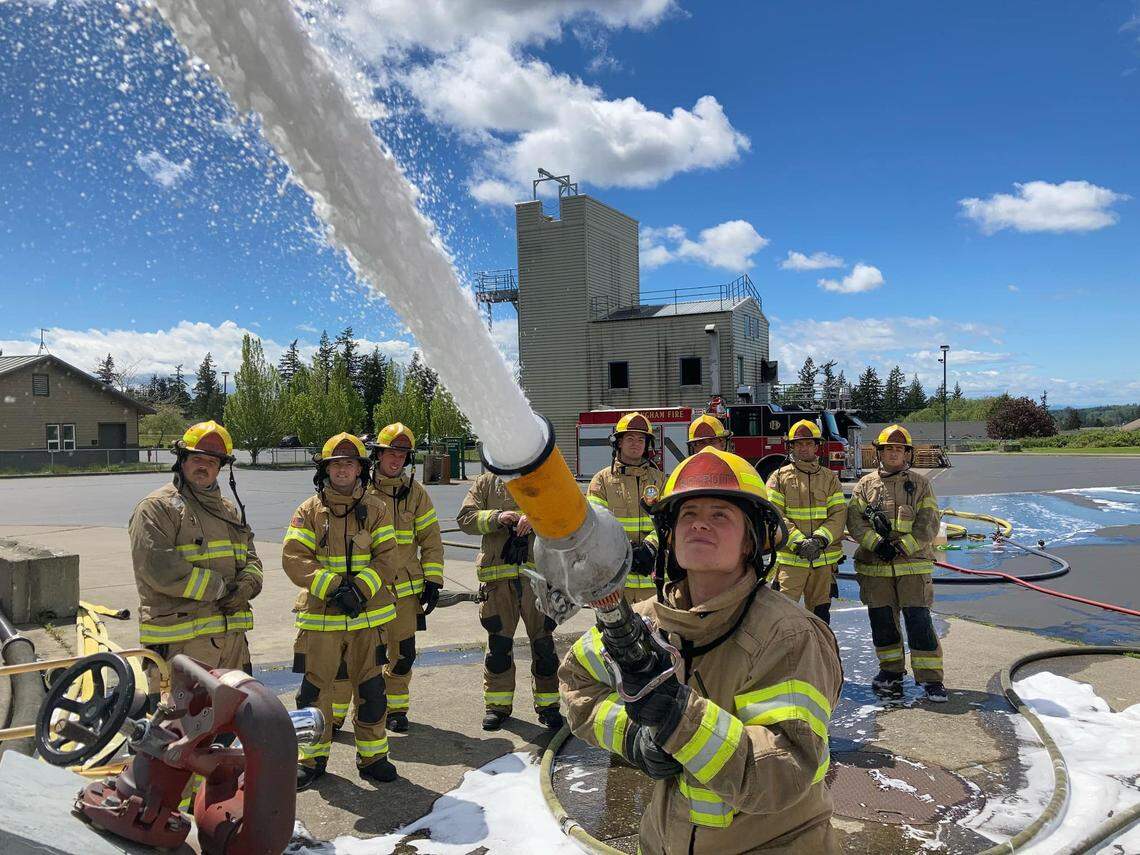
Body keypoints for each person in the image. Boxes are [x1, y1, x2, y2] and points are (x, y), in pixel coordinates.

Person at [560, 447, 843, 853]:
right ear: (671, 537)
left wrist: (680, 718)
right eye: (688, 515)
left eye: (719, 516)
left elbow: (784, 772)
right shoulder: (647, 622)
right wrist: (634, 736)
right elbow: (577, 681)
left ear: (751, 542)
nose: (700, 525)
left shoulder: (788, 636)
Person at [283, 433, 400, 789]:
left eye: (350, 462)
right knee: (315, 691)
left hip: (368, 619)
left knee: (372, 690)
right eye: (336, 463)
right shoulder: (307, 512)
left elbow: (388, 558)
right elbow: (293, 558)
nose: (343, 468)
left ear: (361, 469)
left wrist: (361, 589)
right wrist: (335, 588)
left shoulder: (378, 510)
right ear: (325, 469)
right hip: (322, 620)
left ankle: (373, 757)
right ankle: (311, 759)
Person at [129, 420, 261, 707]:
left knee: (230, 729)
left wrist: (248, 586)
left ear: (221, 467)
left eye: (212, 461)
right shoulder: (156, 508)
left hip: (232, 645)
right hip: (181, 650)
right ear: (182, 460)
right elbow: (160, 570)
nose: (204, 466)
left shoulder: (227, 510)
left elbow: (250, 557)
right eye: (197, 458)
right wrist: (224, 590)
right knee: (177, 737)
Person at [846, 424, 946, 702]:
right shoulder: (865, 486)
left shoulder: (921, 483)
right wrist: (875, 543)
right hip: (875, 568)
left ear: (907, 453)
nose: (893, 453)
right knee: (882, 622)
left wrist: (903, 546)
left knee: (918, 621)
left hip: (913, 567)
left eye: (898, 449)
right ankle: (890, 673)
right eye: (888, 448)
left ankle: (931, 680)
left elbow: (929, 524)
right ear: (879, 452)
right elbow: (855, 521)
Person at [456, 472, 562, 732]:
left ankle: (548, 707)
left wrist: (534, 519)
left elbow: (565, 514)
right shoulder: (485, 483)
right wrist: (497, 518)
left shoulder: (542, 476)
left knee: (544, 647)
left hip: (538, 582)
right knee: (499, 648)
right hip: (497, 582)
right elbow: (466, 519)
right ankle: (497, 707)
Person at [764, 419, 846, 624]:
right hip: (792, 561)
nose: (804, 448)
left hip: (823, 561)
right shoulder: (778, 478)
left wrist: (819, 540)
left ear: (817, 446)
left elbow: (838, 514)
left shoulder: (830, 478)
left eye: (809, 443)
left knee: (820, 618)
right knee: (783, 619)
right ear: (791, 447)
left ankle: (819, 655)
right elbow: (774, 515)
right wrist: (799, 541)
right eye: (799, 444)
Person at [587, 411, 666, 603]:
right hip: (615, 580)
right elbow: (595, 524)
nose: (636, 443)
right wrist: (624, 550)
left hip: (652, 580)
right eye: (629, 438)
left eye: (641, 439)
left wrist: (650, 547)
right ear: (619, 443)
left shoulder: (660, 480)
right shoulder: (601, 481)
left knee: (656, 632)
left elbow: (669, 520)